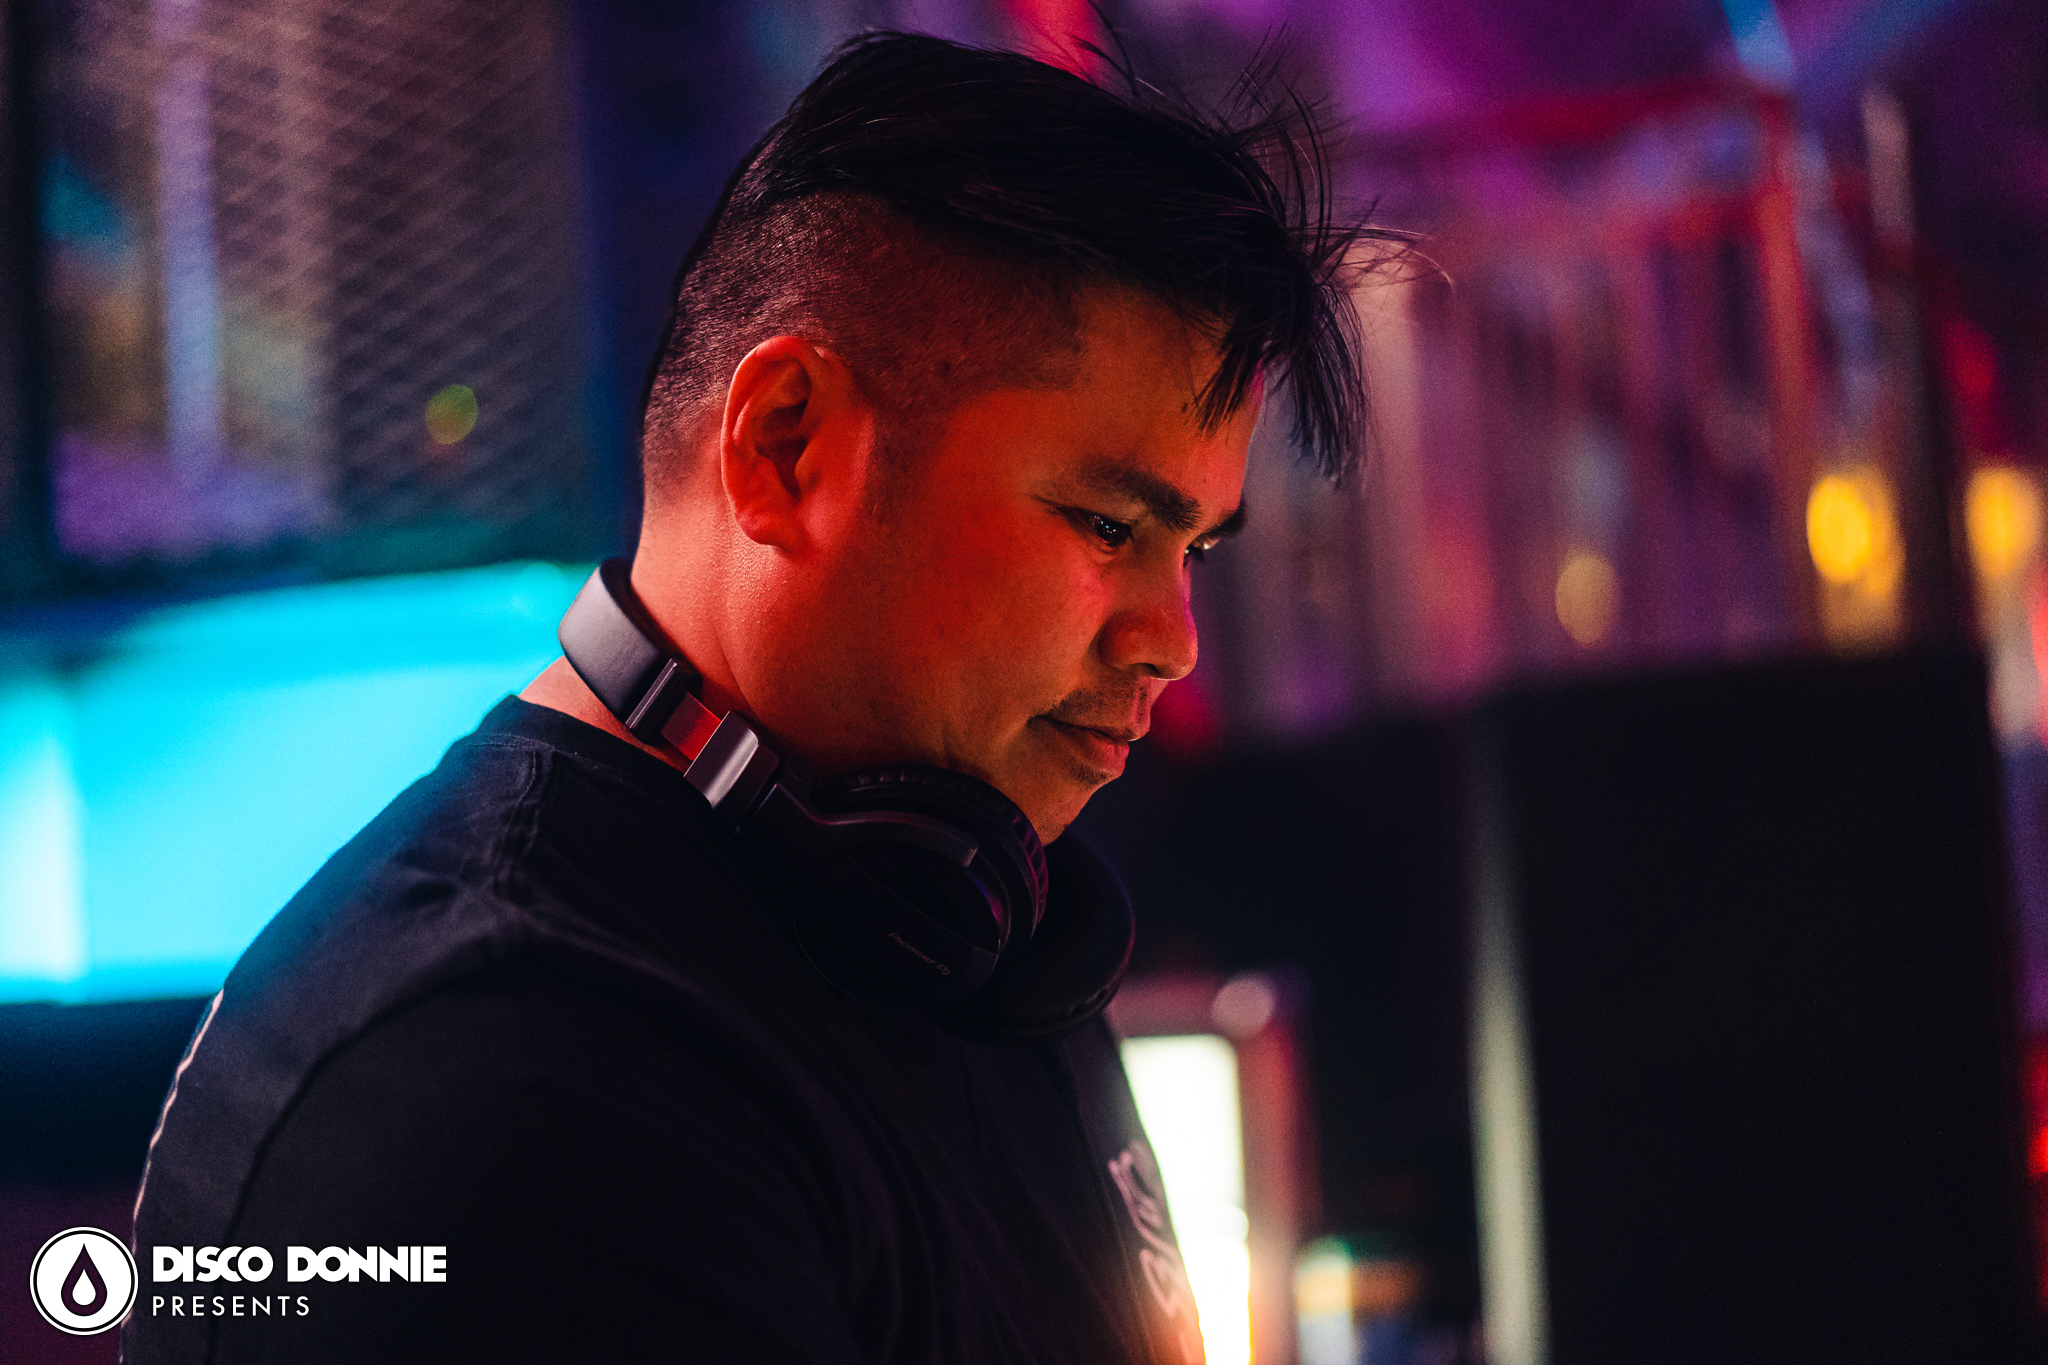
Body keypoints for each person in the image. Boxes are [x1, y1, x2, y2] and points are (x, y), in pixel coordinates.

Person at [127, 31, 1372, 1364]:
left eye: (1193, 551)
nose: (1173, 640)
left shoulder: (957, 921)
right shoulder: (518, 1078)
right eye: (1107, 525)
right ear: (786, 446)